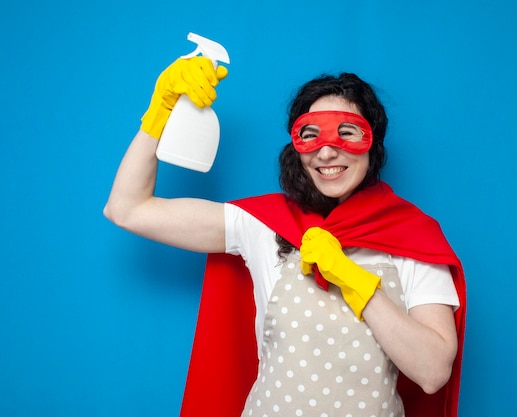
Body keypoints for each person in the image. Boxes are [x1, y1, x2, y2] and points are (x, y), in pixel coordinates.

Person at [104, 56, 466, 417]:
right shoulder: (264, 224)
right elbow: (127, 208)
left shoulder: (413, 236)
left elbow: (433, 373)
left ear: (373, 142)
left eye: (347, 132)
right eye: (311, 135)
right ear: (297, 148)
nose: (327, 150)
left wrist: (356, 283)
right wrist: (160, 113)